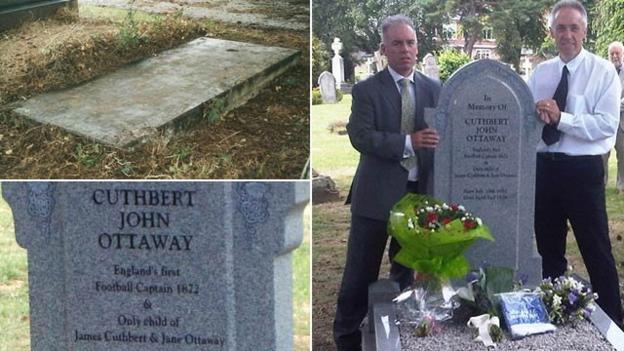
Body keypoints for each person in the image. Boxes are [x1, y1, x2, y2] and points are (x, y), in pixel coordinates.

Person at [333, 14, 441, 351]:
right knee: (358, 277)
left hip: (417, 199)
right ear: (384, 49)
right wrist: (408, 142)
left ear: (417, 47)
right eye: (397, 43)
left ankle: (394, 338)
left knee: (406, 275)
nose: (405, 50)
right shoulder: (367, 90)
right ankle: (347, 339)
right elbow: (360, 137)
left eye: (410, 43)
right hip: (375, 200)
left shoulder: (434, 88)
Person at [528, 0, 623, 324]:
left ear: (585, 30)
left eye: (573, 27)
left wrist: (562, 118)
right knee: (548, 251)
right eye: (561, 28)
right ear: (551, 32)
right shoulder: (540, 73)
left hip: (582, 171)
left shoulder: (603, 71)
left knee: (596, 250)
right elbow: (528, 123)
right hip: (544, 170)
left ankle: (614, 322)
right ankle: (555, 315)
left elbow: (606, 125)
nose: (567, 34)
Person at [606, 41, 624, 193]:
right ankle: (601, 183)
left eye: (617, 53)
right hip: (605, 120)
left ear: (622, 54)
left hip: (622, 122)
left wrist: (614, 104)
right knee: (602, 154)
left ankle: (621, 185)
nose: (614, 56)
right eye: (612, 53)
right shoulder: (603, 72)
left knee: (623, 154)